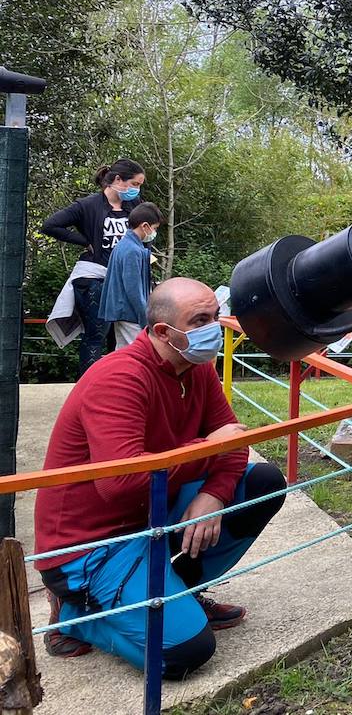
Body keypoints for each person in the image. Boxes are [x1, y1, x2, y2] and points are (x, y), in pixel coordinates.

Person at [35, 278, 286, 678]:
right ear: (163, 332)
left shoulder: (195, 368)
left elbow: (234, 442)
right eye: (201, 319)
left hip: (149, 514)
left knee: (262, 483)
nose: (214, 328)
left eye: (216, 316)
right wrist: (206, 449)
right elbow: (120, 483)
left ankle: (179, 593)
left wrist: (214, 496)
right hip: (90, 545)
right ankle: (74, 616)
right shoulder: (118, 378)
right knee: (185, 653)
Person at [41, 159, 147, 375]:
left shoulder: (135, 206)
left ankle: (120, 386)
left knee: (128, 334)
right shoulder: (87, 205)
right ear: (118, 180)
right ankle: (87, 391)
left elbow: (146, 237)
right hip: (94, 278)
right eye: (135, 184)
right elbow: (50, 225)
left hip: (126, 279)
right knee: (96, 335)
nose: (137, 189)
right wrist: (84, 241)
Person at [96, 202, 162, 349]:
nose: (154, 232)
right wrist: (145, 319)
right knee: (138, 354)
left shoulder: (124, 245)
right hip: (130, 314)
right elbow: (133, 290)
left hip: (123, 312)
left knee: (123, 353)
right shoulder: (132, 250)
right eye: (155, 228)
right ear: (145, 226)